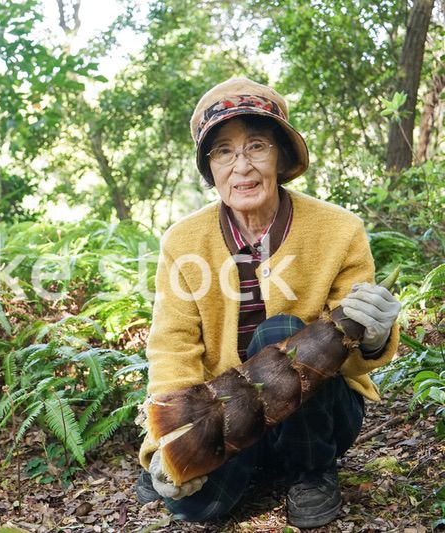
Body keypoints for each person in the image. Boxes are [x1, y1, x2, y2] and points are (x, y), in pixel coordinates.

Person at [134, 77, 401, 528]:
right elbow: (172, 345)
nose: (242, 167)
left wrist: (375, 337)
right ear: (211, 169)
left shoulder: (340, 230)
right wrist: (168, 439)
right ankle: (256, 462)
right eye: (223, 151)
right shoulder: (183, 241)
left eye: (256, 146)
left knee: (277, 332)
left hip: (321, 411)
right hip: (231, 411)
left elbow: (358, 352)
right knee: (194, 507)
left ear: (280, 156)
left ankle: (311, 471)